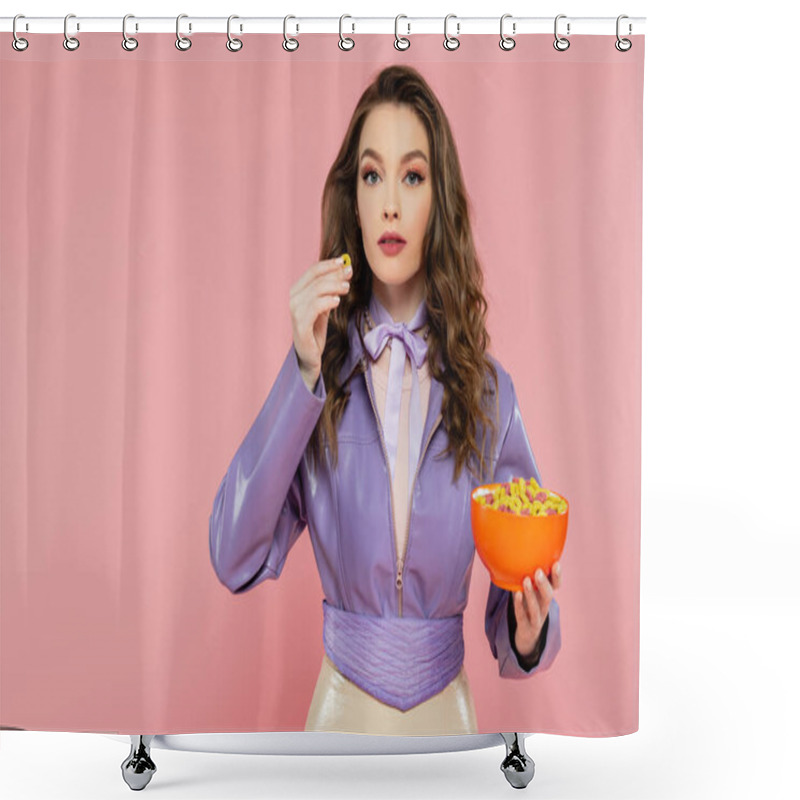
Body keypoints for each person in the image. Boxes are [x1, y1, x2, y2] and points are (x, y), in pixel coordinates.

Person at [209, 64, 563, 736]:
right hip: (337, 718)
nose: (391, 204)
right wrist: (302, 372)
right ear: (354, 198)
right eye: (372, 176)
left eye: (413, 175)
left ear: (440, 199)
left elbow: (517, 605)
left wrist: (529, 630)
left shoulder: (490, 393)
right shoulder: (317, 382)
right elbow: (233, 556)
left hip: (447, 725)